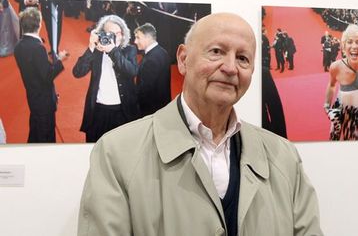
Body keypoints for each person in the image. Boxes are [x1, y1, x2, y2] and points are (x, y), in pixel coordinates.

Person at [78, 12, 322, 236]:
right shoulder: (116, 154)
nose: (230, 68)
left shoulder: (285, 158)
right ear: (183, 59)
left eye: (243, 58)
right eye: (216, 51)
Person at [72, 15, 139, 142]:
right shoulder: (96, 52)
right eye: (108, 33)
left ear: (122, 34)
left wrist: (112, 50)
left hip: (121, 112)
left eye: (115, 33)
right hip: (98, 111)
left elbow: (132, 71)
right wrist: (91, 46)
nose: (111, 37)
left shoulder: (129, 50)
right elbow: (77, 72)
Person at [14, 7, 68, 142]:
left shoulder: (19, 46)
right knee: (46, 137)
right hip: (44, 102)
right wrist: (60, 60)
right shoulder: (38, 48)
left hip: (33, 97)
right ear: (39, 24)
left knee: (35, 133)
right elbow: (47, 76)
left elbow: (35, 69)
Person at [134, 23, 172, 117]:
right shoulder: (162, 52)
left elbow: (145, 90)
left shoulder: (151, 59)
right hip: (162, 107)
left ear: (148, 38)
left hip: (150, 111)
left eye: (138, 37)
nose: (135, 41)